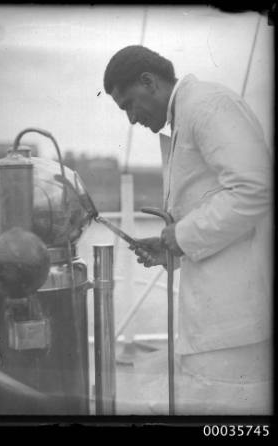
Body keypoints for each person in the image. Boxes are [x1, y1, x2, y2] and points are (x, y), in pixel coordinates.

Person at [103, 45, 272, 414]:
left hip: (235, 323)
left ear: (149, 81)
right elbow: (213, 202)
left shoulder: (207, 105)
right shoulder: (188, 113)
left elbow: (256, 189)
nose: (131, 119)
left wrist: (180, 236)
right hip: (216, 321)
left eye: (129, 104)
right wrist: (172, 248)